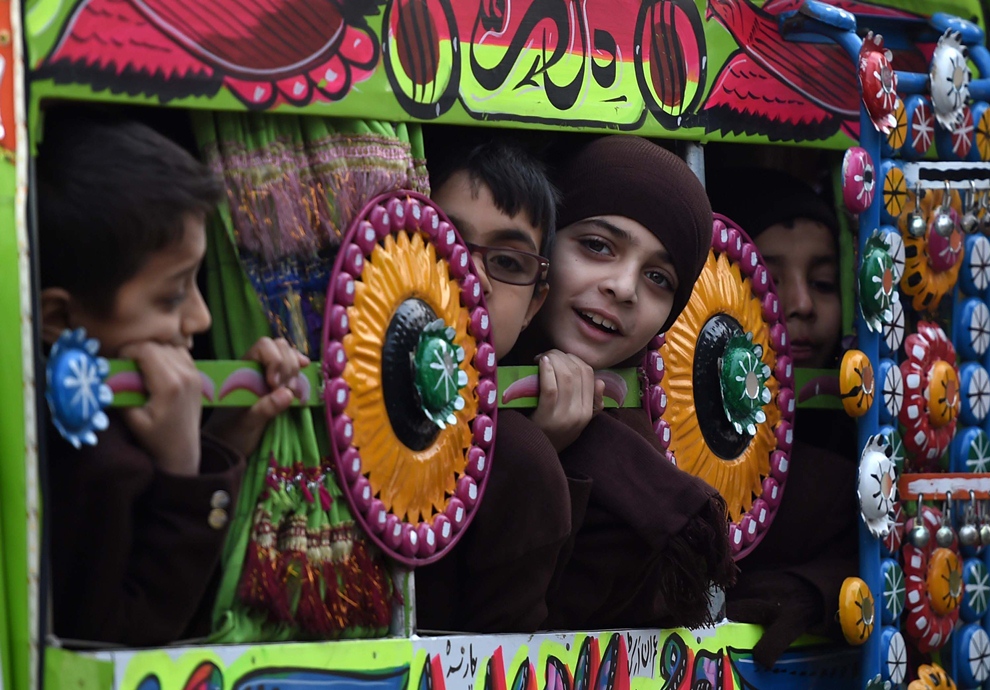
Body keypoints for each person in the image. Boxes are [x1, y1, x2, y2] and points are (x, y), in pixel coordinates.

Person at [37, 109, 308, 646]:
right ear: (60, 320)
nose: (203, 320)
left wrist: (221, 441)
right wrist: (184, 467)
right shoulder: (98, 462)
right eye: (172, 295)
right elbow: (120, 642)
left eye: (199, 283)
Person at [513, 135, 737, 630]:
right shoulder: (464, 400)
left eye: (659, 278)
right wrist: (536, 455)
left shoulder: (649, 466)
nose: (623, 287)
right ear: (541, 246)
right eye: (597, 246)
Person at [415, 135, 601, 632]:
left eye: (507, 262)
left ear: (534, 307)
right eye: (442, 240)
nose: (468, 273)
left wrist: (530, 461)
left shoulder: (521, 454)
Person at [709, 168, 858, 668]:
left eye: (823, 281)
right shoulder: (686, 435)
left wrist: (819, 589)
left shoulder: (862, 432)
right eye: (768, 280)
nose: (800, 305)